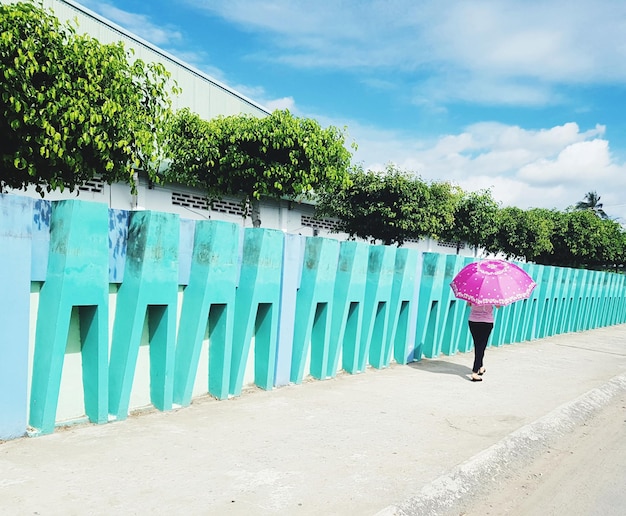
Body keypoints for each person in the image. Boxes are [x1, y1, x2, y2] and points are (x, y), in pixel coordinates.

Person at [467, 302, 500, 382]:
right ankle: (475, 372)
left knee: (478, 345)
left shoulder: (475, 291)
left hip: (473, 321)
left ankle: (480, 367)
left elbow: (469, 304)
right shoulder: (494, 294)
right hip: (487, 322)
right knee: (481, 346)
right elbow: (498, 306)